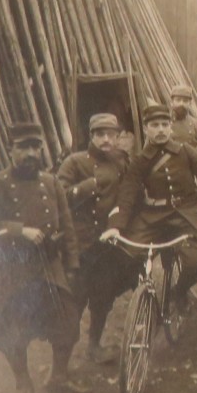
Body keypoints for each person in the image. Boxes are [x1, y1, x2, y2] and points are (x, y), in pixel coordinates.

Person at [0, 122, 91, 393]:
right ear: (10, 151)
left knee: (68, 322)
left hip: (47, 267)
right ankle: (23, 381)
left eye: (35, 147)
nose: (30, 153)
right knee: (13, 331)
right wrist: (18, 230)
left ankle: (59, 376)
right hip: (8, 269)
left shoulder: (51, 183)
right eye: (23, 147)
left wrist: (72, 266)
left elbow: (68, 227)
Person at [100, 104, 197, 311]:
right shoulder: (139, 161)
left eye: (165, 124)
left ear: (171, 127)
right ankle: (144, 295)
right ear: (146, 129)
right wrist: (115, 226)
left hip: (187, 215)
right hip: (153, 218)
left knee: (195, 262)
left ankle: (179, 292)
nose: (161, 129)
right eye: (155, 125)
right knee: (127, 254)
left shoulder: (186, 152)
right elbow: (127, 194)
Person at [56, 113, 132, 364]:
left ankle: (94, 345)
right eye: (101, 135)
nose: (107, 140)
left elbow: (127, 195)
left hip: (106, 243)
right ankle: (61, 367)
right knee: (74, 303)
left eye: (112, 135)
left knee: (103, 298)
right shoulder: (74, 162)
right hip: (80, 245)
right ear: (91, 136)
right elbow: (58, 197)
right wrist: (88, 185)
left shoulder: (121, 162)